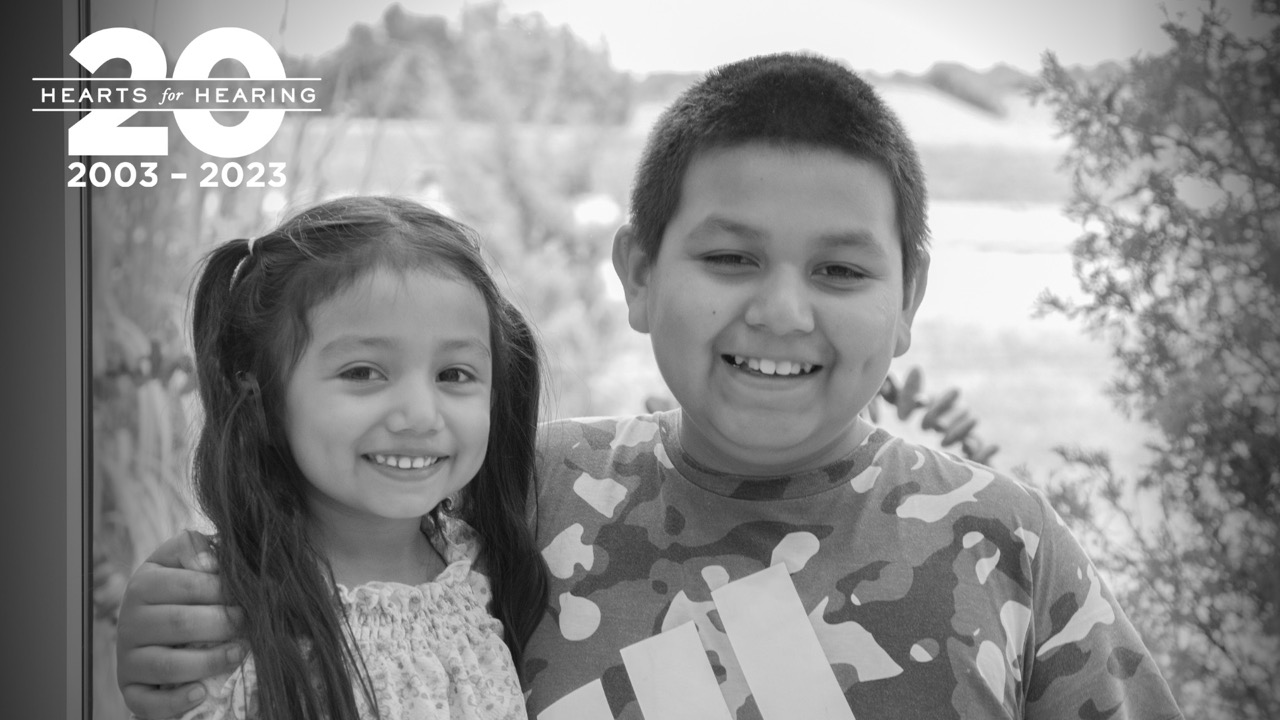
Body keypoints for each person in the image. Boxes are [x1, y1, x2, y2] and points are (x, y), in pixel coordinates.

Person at [114, 53, 1183, 719]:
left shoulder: (1006, 543)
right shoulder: (497, 495)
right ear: (634, 274)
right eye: (728, 258)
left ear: (909, 299)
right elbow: (299, 560)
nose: (779, 311)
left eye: (842, 270)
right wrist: (187, 610)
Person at [150, 195, 549, 719]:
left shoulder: (486, 566)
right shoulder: (220, 610)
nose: (420, 415)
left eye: (453, 374)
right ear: (260, 392)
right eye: (363, 372)